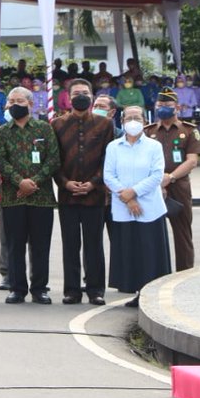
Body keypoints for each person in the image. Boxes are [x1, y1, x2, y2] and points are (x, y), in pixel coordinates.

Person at [51, 78, 116, 305]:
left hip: (95, 195)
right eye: (77, 93)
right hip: (67, 195)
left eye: (85, 93)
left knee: (94, 244)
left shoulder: (104, 124)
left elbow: (109, 159)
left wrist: (95, 182)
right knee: (70, 244)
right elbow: (53, 159)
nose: (81, 96)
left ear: (92, 96)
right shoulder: (57, 125)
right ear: (68, 98)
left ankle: (96, 289)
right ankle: (71, 290)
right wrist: (64, 183)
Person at [0, 85, 60, 304]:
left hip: (41, 197)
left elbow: (53, 159)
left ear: (31, 105)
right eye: (11, 102)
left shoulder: (44, 129)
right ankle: (17, 288)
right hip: (13, 197)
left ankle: (40, 288)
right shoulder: (3, 131)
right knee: (15, 244)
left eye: (20, 102)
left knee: (40, 245)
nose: (15, 106)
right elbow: (0, 161)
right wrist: (19, 182)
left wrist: (35, 182)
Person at [105, 106, 170, 306]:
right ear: (122, 121)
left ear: (144, 120)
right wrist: (128, 198)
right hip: (124, 207)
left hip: (150, 208)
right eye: (129, 117)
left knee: (150, 252)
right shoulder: (114, 147)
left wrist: (134, 193)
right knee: (130, 251)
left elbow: (157, 175)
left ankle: (151, 295)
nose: (133, 121)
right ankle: (136, 293)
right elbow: (108, 175)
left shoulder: (153, 146)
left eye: (137, 117)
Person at [145, 88, 200, 271]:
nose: (163, 109)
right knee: (152, 234)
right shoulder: (149, 131)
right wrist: (157, 181)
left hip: (179, 187)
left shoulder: (189, 130)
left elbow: (192, 160)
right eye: (160, 105)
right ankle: (155, 272)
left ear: (177, 107)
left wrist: (170, 177)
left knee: (182, 233)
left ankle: (184, 273)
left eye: (167, 105)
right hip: (153, 188)